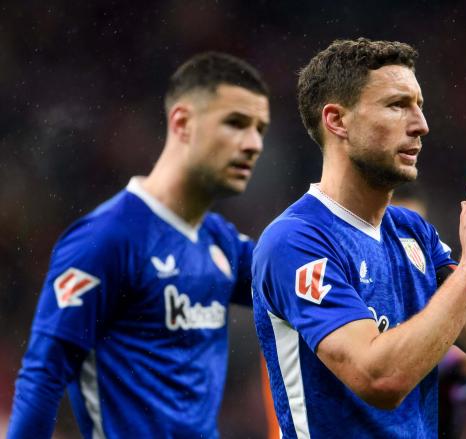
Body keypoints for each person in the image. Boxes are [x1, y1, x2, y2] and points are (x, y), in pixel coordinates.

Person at [252, 38, 466, 437]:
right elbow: (379, 379)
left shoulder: (414, 233)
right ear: (337, 120)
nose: (421, 124)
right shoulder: (296, 241)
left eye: (419, 105)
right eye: (397, 105)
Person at [8, 51, 270, 438]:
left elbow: (299, 284)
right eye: (235, 123)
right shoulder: (107, 238)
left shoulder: (221, 241)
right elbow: (43, 374)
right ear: (182, 122)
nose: (253, 144)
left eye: (260, 130)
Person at [391, 185, 466, 438]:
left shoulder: (435, 276)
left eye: (414, 225)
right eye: (396, 225)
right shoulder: (360, 281)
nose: (406, 238)